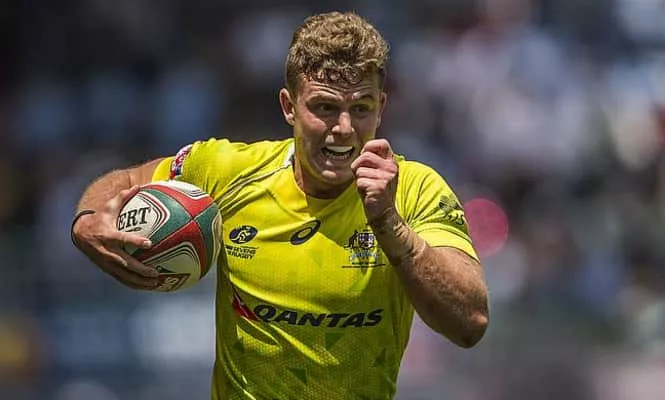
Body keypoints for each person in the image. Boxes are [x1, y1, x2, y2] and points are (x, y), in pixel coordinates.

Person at [71, 11, 489, 400]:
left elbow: (470, 324)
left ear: (380, 108)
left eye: (360, 108)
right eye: (325, 107)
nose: (344, 128)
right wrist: (89, 218)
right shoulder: (227, 171)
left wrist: (390, 226)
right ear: (290, 107)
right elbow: (126, 181)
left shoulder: (414, 189)